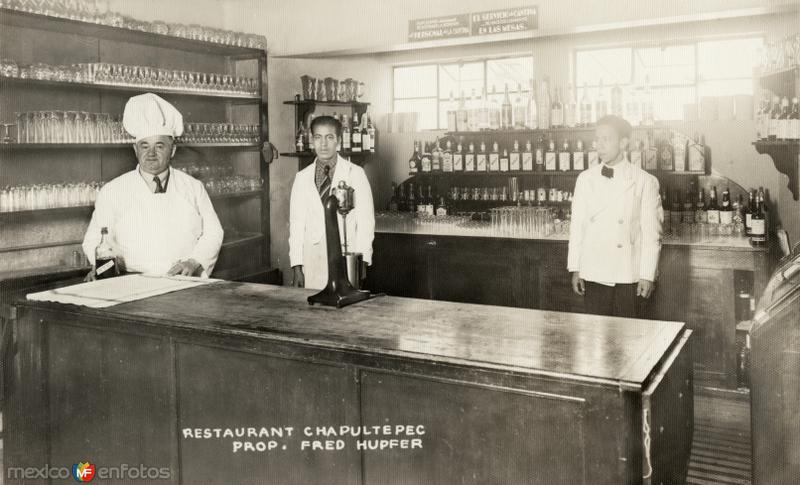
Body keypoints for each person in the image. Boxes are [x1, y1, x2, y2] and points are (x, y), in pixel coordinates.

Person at [82, 93, 224, 279]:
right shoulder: (113, 190)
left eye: (159, 146)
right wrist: (103, 268)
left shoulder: (193, 187)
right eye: (144, 146)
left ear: (172, 150)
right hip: (131, 281)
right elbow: (95, 239)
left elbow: (213, 232)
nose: (151, 154)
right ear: (135, 150)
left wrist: (194, 261)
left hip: (183, 280)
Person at [567, 115, 662, 318]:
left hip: (628, 275)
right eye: (597, 139)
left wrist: (647, 275)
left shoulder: (644, 181)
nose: (599, 146)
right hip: (593, 272)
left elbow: (651, 234)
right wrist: (576, 268)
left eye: (606, 139)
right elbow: (577, 227)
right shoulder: (585, 179)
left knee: (629, 339)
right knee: (595, 339)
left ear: (623, 142)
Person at [289, 115, 375, 290]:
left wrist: (363, 260)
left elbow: (366, 222)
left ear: (339, 140)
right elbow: (296, 224)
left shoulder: (355, 173)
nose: (323, 144)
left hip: (346, 257)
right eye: (318, 137)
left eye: (329, 137)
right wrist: (297, 265)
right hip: (313, 259)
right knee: (315, 310)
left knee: (346, 308)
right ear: (312, 141)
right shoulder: (302, 177)